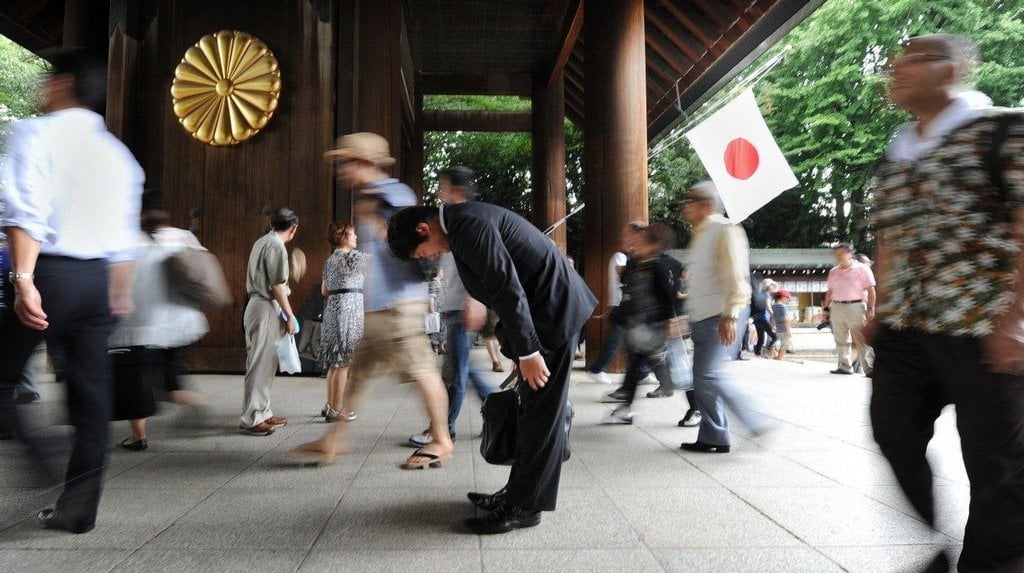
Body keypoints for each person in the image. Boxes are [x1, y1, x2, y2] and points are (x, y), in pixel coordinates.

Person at [867, 34, 1024, 572]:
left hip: (983, 325)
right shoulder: (896, 151)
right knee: (892, 430)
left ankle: (991, 564)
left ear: (952, 70)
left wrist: (1014, 320)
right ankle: (933, 543)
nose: (896, 69)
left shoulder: (1001, 131)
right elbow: (887, 237)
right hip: (906, 325)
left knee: (998, 465)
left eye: (912, 59)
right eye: (895, 60)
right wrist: (879, 307)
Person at [0, 48, 144, 534]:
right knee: (91, 399)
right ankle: (79, 506)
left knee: (2, 377)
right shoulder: (119, 155)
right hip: (100, 282)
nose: (43, 89)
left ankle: (39, 460)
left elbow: (26, 211)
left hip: (51, 274)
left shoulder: (34, 133)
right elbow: (126, 237)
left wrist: (24, 281)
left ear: (62, 84)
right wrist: (118, 296)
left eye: (47, 79)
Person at [387, 201, 597, 534]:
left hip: (555, 312)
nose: (427, 257)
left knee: (542, 414)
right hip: (543, 314)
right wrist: (518, 347)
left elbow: (506, 287)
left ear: (423, 229)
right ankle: (516, 493)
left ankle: (525, 507)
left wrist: (527, 352)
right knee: (531, 413)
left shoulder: (467, 224)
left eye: (421, 253)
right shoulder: (461, 225)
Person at [287, 132, 453, 470]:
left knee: (421, 370)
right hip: (380, 306)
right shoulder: (368, 198)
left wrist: (376, 216)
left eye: (345, 162)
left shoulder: (393, 193)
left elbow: (411, 238)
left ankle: (441, 439)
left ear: (364, 163)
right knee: (359, 375)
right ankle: (334, 440)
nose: (341, 170)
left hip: (401, 307)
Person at [108, 193, 208, 450]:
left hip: (139, 326)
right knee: (169, 377)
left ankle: (139, 436)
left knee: (134, 380)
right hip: (180, 324)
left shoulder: (127, 242)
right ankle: (190, 400)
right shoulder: (183, 237)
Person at [408, 166, 495, 448]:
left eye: (443, 186)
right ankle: (495, 411)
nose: (439, 191)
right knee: (463, 370)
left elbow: (480, 263)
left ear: (456, 190)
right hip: (456, 303)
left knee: (455, 373)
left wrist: (474, 299)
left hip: (463, 304)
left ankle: (443, 429)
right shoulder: (452, 220)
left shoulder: (464, 219)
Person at [679, 182, 763, 454]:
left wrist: (731, 314)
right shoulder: (701, 234)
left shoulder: (724, 230)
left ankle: (754, 420)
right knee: (703, 377)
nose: (685, 207)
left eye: (690, 201)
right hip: (703, 315)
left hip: (720, 314)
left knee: (708, 376)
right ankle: (714, 435)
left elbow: (736, 276)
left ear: (705, 204)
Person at [602, 224, 678, 424]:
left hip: (654, 324)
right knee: (638, 363)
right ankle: (626, 406)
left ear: (655, 245)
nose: (637, 242)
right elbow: (629, 286)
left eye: (643, 240)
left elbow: (669, 296)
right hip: (638, 323)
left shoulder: (661, 265)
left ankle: (690, 401)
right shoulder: (637, 261)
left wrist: (670, 321)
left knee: (657, 362)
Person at [239, 207, 299, 435]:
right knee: (259, 363)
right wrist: (290, 315)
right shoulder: (276, 246)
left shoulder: (262, 241)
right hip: (264, 306)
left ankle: (263, 411)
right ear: (294, 228)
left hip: (258, 305)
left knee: (265, 363)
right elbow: (276, 286)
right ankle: (252, 417)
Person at [317, 221, 366, 423]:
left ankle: (331, 405)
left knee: (335, 363)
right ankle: (336, 409)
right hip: (348, 312)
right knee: (343, 362)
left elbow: (324, 290)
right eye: (353, 234)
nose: (356, 237)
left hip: (333, 310)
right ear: (343, 237)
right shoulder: (353, 257)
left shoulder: (330, 260)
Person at [822, 242, 876, 375]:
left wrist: (871, 308)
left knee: (861, 337)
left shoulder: (862, 268)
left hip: (856, 305)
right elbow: (830, 292)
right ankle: (845, 366)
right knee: (841, 338)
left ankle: (869, 368)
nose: (838, 257)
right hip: (837, 305)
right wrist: (826, 310)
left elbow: (871, 289)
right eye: (836, 254)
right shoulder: (833, 271)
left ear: (850, 254)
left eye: (841, 254)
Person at [769, 289, 792, 361]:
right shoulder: (783, 306)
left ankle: (776, 356)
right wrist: (789, 330)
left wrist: (773, 326)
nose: (787, 299)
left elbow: (773, 317)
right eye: (787, 297)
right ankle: (779, 359)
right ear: (782, 297)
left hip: (777, 328)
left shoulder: (773, 306)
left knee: (776, 343)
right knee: (785, 345)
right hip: (784, 328)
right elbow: (786, 319)